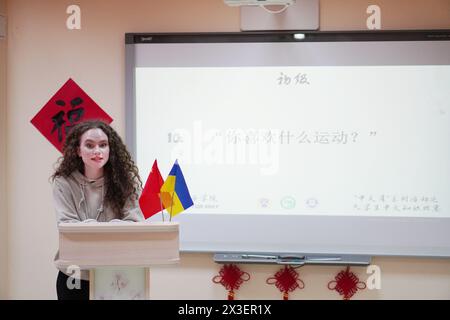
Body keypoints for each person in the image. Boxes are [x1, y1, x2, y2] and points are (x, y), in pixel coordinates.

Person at [51, 120, 144, 300]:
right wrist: (112, 228)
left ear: (110, 149)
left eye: (103, 145)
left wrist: (89, 228)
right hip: (74, 271)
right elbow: (67, 226)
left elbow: (133, 223)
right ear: (78, 150)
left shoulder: (126, 180)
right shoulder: (63, 182)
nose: (97, 151)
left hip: (115, 271)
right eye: (89, 145)